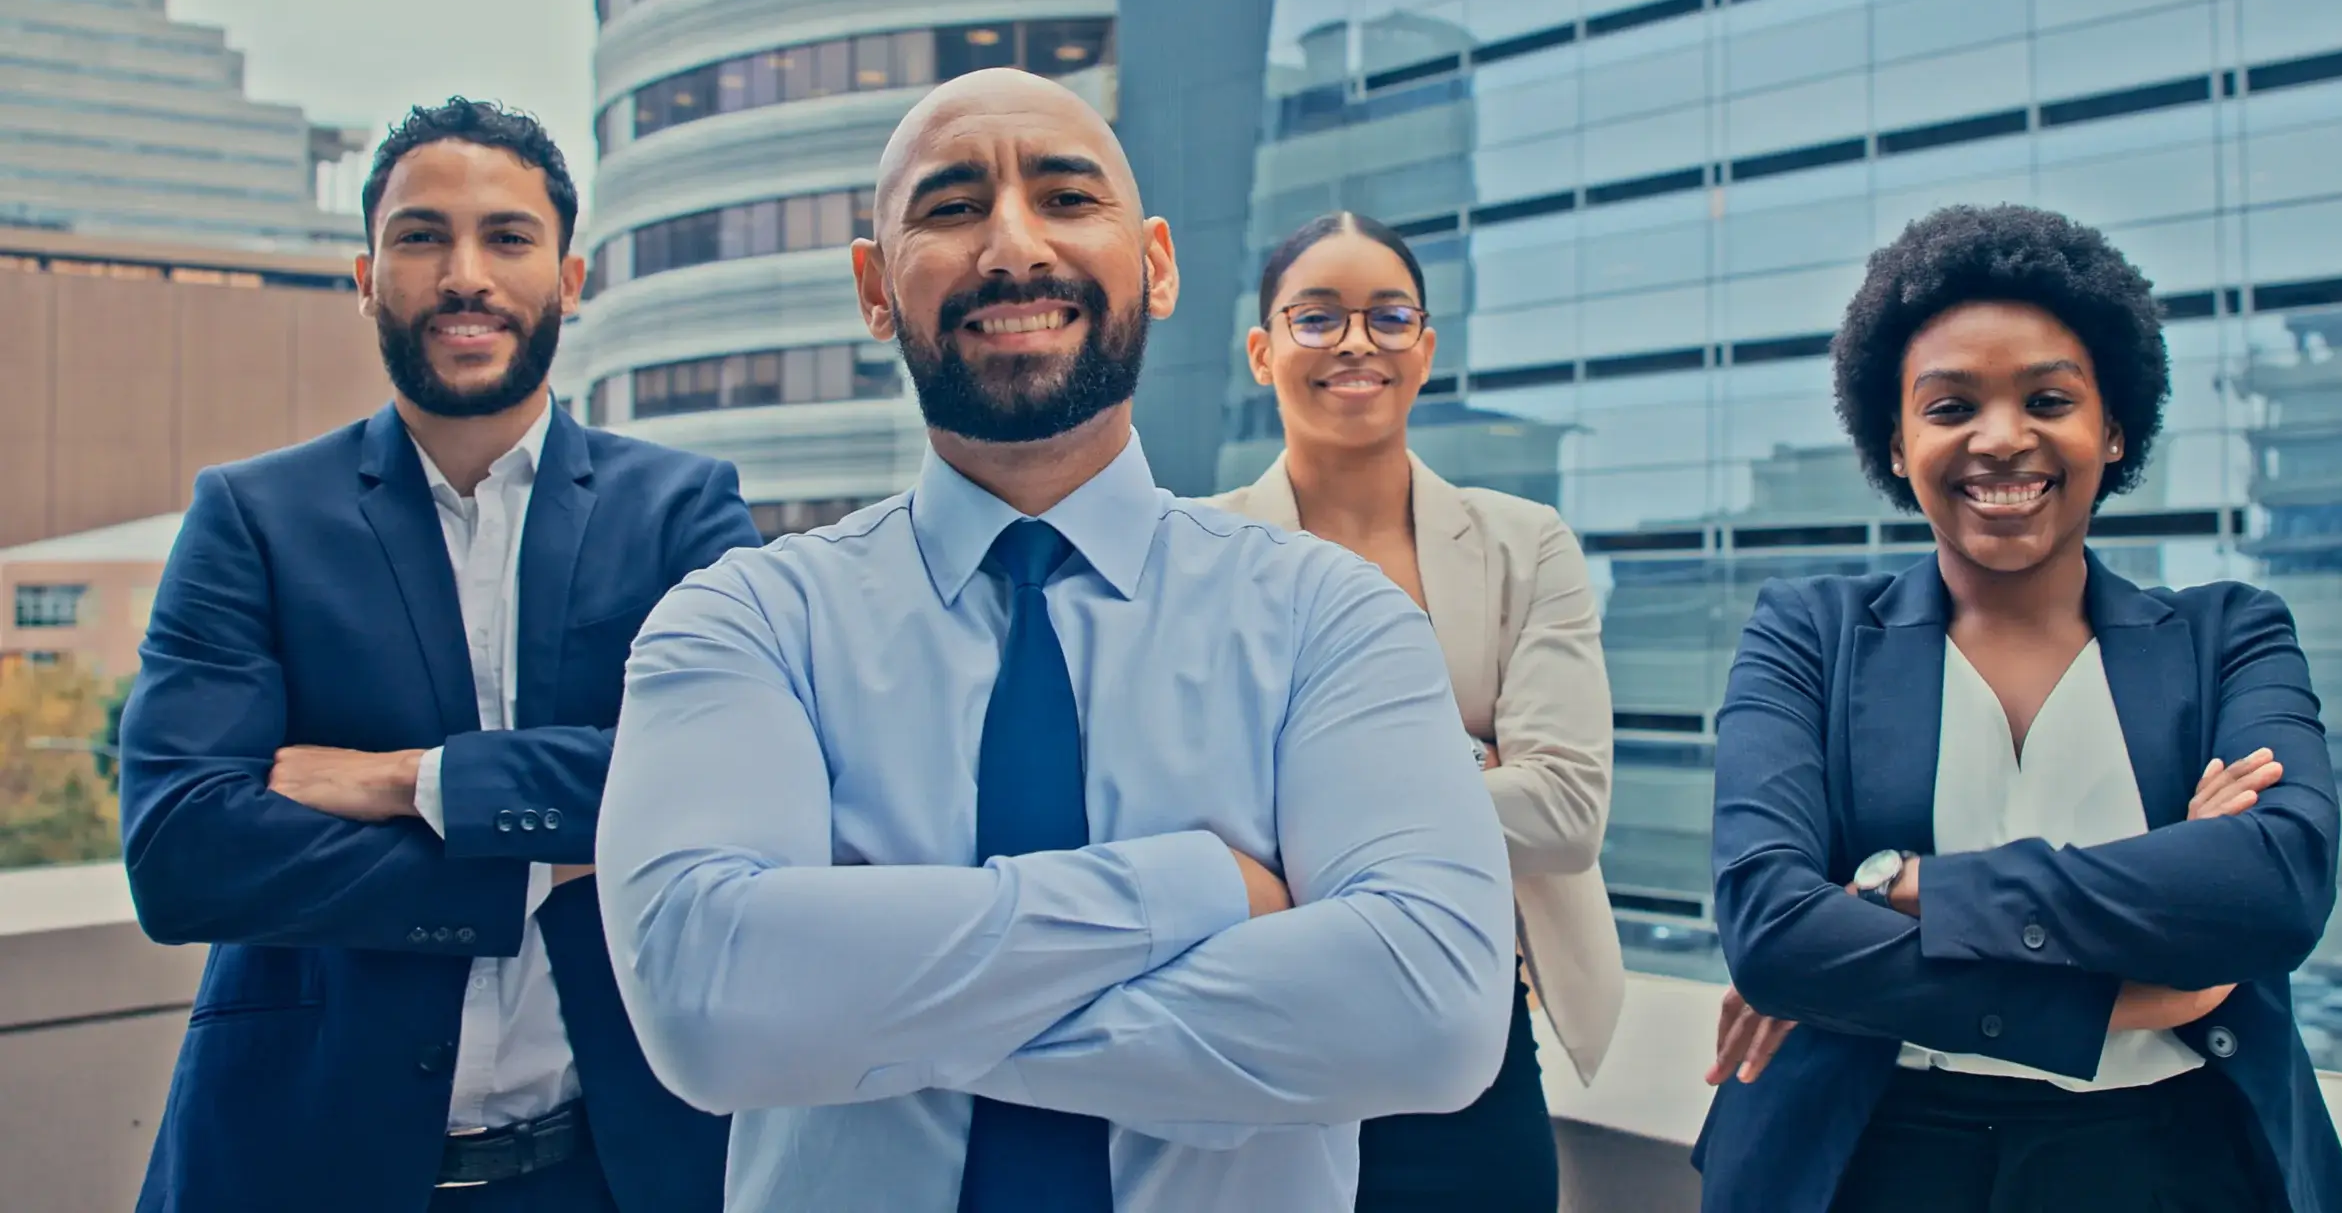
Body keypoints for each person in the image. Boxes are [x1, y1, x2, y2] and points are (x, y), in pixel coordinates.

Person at [591, 69, 1516, 1213]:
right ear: (875, 289)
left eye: (1070, 199)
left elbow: (1430, 1011)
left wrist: (865, 1006)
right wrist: (1188, 888)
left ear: (1158, 266)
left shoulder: (1335, 619)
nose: (1013, 246)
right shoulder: (747, 623)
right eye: (950, 207)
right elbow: (707, 1004)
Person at [117, 98, 758, 1213]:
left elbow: (741, 779)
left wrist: (408, 780)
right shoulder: (252, 519)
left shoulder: (679, 512)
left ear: (569, 278)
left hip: (616, 1167)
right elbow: (184, 848)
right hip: (300, 1165)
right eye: (421, 237)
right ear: (365, 276)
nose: (465, 274)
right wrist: (530, 866)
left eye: (508, 237)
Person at [1693, 204, 2342, 1213]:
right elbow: (1775, 932)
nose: (2001, 439)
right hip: (1865, 1157)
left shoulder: (2229, 636)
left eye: (2048, 398)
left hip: (2171, 1159)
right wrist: (2113, 997)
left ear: (2113, 425)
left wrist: (1898, 885)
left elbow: (2272, 887)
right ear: (1896, 436)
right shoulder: (1808, 634)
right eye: (1950, 406)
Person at [1205, 211, 1625, 1212]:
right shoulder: (1194, 551)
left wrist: (1301, 792)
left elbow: (1566, 809)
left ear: (1424, 349)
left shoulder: (1526, 544)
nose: (1356, 341)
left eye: (1387, 317)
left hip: (1470, 1032)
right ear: (1263, 351)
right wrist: (1460, 764)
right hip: (1264, 1029)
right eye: (1317, 318)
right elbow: (1181, 803)